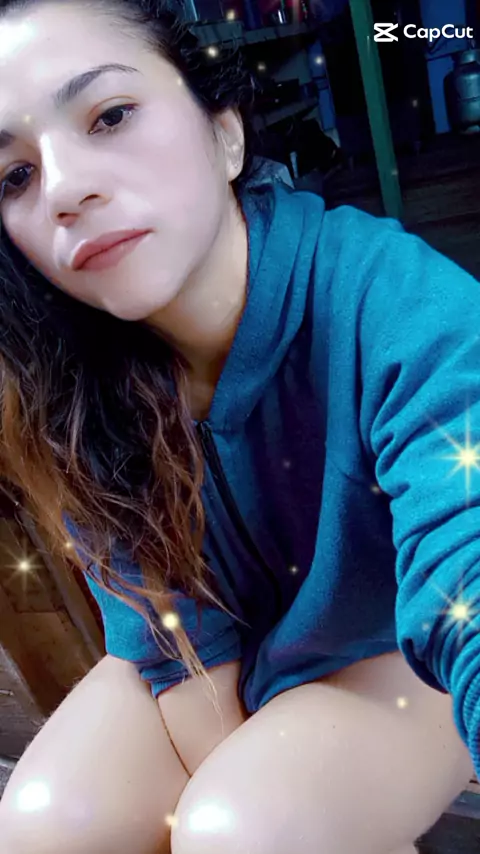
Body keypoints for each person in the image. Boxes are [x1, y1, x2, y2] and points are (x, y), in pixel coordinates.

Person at [0, 1, 477, 853]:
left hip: (390, 648)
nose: (66, 189)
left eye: (110, 116)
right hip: (218, 649)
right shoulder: (67, 373)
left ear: (225, 135)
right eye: (14, 176)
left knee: (245, 831)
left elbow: (465, 571)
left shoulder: (401, 306)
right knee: (45, 825)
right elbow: (164, 625)